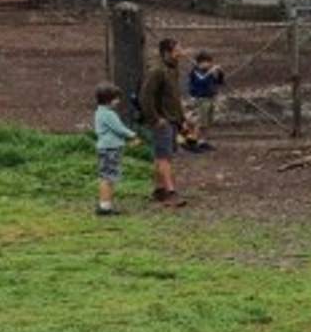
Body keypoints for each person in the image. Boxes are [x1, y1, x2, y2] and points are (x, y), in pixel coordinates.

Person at [139, 38, 188, 207]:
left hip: (172, 119)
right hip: (163, 121)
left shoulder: (173, 69)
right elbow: (145, 96)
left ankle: (159, 189)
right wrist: (155, 119)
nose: (181, 52)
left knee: (163, 156)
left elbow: (174, 98)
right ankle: (170, 192)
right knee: (164, 157)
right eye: (178, 49)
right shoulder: (157, 71)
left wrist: (182, 119)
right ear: (167, 52)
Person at [94, 82, 141, 216]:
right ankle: (105, 207)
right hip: (110, 149)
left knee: (107, 177)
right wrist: (133, 135)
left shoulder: (100, 112)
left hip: (106, 148)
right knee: (108, 178)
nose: (118, 101)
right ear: (108, 100)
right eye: (116, 98)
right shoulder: (109, 114)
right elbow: (119, 129)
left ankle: (105, 205)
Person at [186, 50, 223, 153]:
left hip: (210, 98)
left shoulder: (208, 72)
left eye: (210, 62)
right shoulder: (196, 72)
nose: (209, 64)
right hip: (201, 99)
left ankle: (202, 141)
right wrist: (210, 72)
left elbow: (219, 82)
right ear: (200, 62)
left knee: (207, 122)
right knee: (200, 122)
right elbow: (201, 81)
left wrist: (220, 73)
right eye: (206, 62)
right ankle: (192, 142)